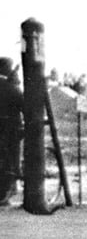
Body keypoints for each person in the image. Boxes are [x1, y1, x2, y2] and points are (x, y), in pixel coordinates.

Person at [0, 58, 23, 206]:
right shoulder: (11, 87)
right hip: (11, 127)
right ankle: (6, 192)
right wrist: (16, 84)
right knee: (12, 159)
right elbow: (23, 104)